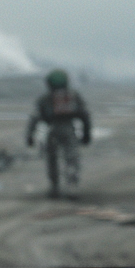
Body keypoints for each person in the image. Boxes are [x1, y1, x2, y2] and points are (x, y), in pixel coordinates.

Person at [26, 69, 91, 197]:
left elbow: (35, 118)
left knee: (52, 159)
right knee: (71, 158)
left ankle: (54, 187)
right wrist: (86, 134)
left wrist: (30, 136)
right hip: (69, 129)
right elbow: (85, 116)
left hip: (52, 130)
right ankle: (72, 186)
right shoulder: (73, 96)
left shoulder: (45, 98)